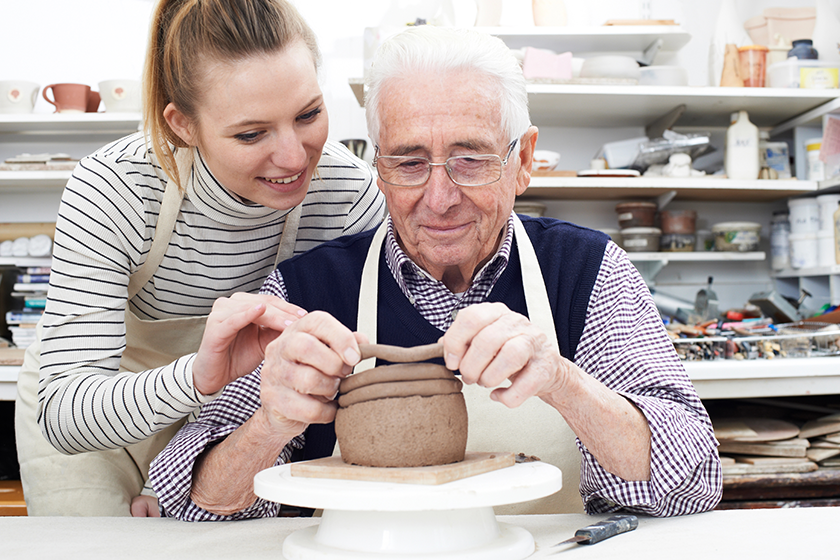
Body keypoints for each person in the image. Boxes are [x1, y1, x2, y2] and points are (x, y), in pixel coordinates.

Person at [149, 25, 722, 520]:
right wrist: (269, 424)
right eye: (409, 161)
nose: (440, 197)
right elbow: (190, 501)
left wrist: (562, 382)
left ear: (522, 161)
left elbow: (692, 482)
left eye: (470, 158)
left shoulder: (589, 271)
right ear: (378, 168)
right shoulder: (306, 291)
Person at [14, 0, 386, 517]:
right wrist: (197, 378)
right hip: (98, 427)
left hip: (235, 424)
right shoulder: (115, 188)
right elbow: (65, 414)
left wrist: (189, 472)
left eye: (308, 115)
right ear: (183, 124)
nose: (294, 157)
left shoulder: (348, 195)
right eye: (251, 134)